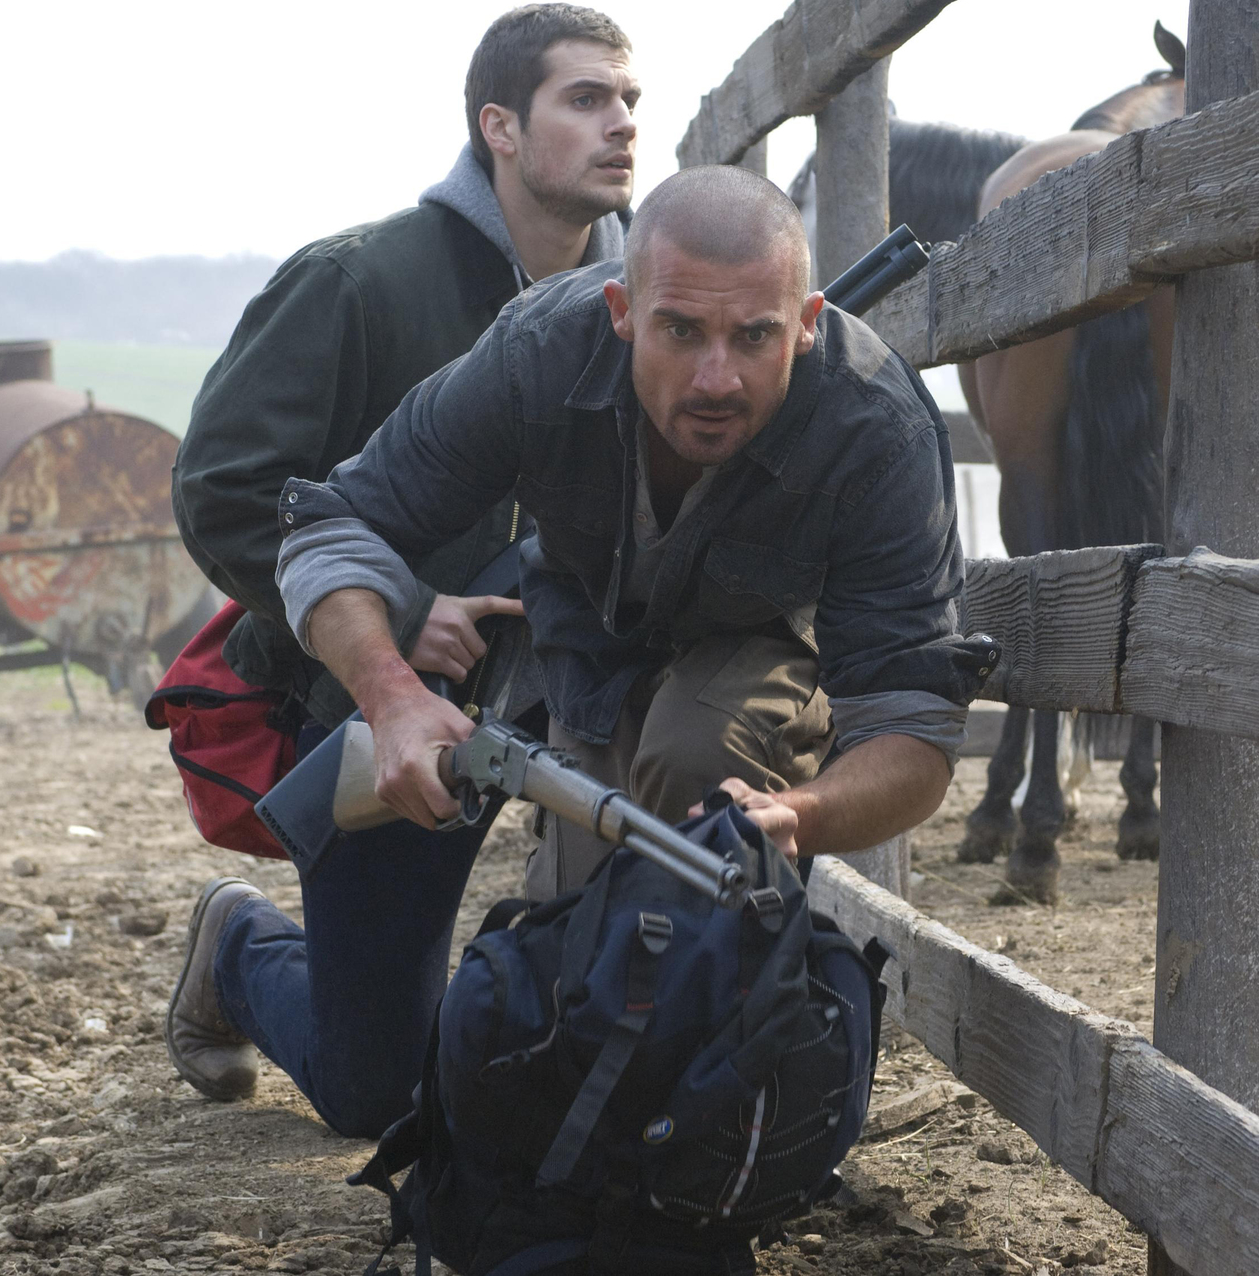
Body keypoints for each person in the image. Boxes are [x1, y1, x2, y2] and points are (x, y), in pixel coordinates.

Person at [167, 164, 997, 1134]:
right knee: (426, 1077)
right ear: (619, 311)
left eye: (754, 336)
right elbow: (328, 523)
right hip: (568, 662)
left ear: (808, 321)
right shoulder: (532, 350)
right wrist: (391, 697)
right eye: (679, 330)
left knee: (699, 790)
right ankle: (242, 943)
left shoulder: (874, 425)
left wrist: (792, 816)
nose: (715, 377)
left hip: (755, 654)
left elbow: (914, 724)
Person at [164, 3, 639, 1134]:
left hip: (589, 708)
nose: (622, 125)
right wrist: (403, 607)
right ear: (500, 129)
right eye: (585, 99)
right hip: (392, 715)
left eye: (629, 101)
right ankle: (238, 947)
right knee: (377, 1092)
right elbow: (222, 489)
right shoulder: (357, 283)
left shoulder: (659, 309)